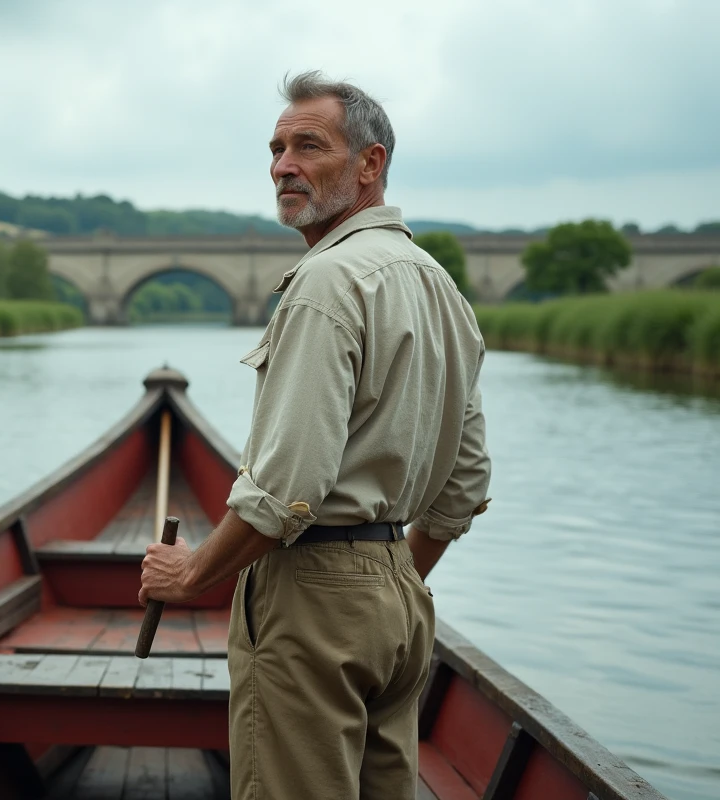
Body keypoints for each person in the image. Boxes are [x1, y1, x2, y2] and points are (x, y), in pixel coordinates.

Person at [138, 71, 492, 800]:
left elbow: (285, 492)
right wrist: (387, 579)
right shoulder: (440, 288)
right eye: (275, 149)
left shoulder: (326, 282)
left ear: (371, 165)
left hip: (311, 597)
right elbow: (463, 487)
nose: (282, 166)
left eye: (308, 146)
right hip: (400, 595)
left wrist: (193, 573)